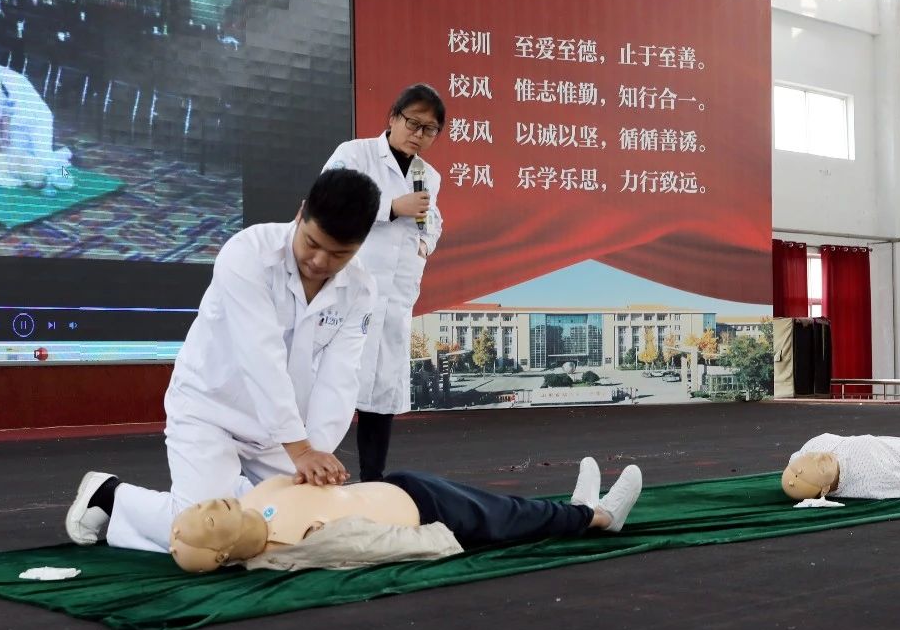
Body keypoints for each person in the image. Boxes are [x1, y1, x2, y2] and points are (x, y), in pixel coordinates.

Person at [65, 169, 382, 555]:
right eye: (312, 243)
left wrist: (317, 450)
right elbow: (260, 358)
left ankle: (240, 496)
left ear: (360, 246)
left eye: (338, 255)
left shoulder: (360, 289)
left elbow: (340, 376)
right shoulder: (248, 254)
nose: (319, 261)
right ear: (301, 214)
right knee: (208, 537)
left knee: (309, 529)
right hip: (210, 410)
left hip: (281, 432)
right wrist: (300, 451)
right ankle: (113, 498)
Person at [164, 456, 643, 572]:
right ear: (222, 553)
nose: (210, 505)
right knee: (512, 515)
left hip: (402, 484)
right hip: (432, 514)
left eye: (202, 506)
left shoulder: (254, 498)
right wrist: (444, 538)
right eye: (209, 520)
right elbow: (381, 546)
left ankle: (580, 510)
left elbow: (317, 482)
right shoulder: (297, 546)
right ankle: (600, 517)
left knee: (514, 510)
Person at [322, 84, 446, 481]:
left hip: (396, 300)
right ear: (393, 117)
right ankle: (307, 480)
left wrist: (425, 243)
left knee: (380, 396)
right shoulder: (355, 154)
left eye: (429, 129)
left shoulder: (428, 175)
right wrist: (391, 207)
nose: (419, 134)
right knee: (330, 391)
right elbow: (329, 202)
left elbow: (433, 220)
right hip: (348, 295)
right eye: (413, 123)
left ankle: (372, 483)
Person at [0, 59, 72, 190]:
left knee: (44, 158)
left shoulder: (6, 83)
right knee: (19, 156)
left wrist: (3, 139)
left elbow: (6, 117)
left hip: (37, 119)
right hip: (17, 122)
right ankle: (52, 166)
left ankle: (65, 171)